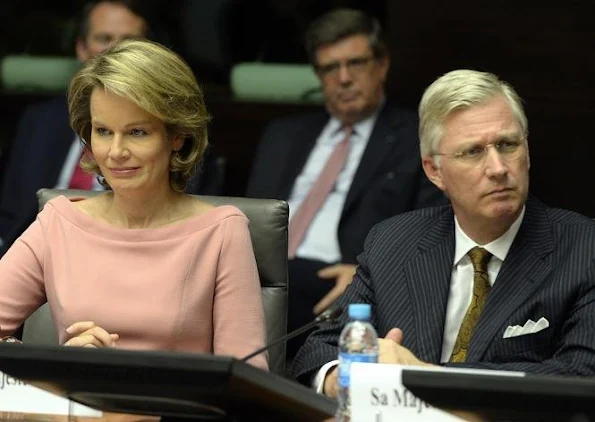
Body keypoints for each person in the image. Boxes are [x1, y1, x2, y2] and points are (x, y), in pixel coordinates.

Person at [292, 69, 595, 396]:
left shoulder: (582, 249)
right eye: (473, 152)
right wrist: (345, 379)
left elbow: (581, 374)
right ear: (434, 171)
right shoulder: (394, 242)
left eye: (508, 145)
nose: (497, 168)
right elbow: (320, 350)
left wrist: (422, 376)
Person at [0, 38, 267, 370]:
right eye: (103, 131)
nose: (115, 152)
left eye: (137, 132)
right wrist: (58, 364)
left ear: (177, 136)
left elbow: (248, 379)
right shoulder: (59, 221)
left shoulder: (222, 232)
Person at [245, 8, 445, 359]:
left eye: (356, 63)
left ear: (381, 65)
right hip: (257, 275)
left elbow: (433, 234)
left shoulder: (415, 139)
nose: (344, 78)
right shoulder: (283, 134)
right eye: (330, 68)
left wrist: (366, 276)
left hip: (342, 282)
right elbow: (248, 216)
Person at [0, 0, 222, 257]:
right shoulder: (40, 122)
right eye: (102, 131)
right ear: (81, 49)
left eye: (137, 132)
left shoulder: (218, 226)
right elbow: (10, 214)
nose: (115, 51)